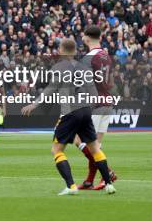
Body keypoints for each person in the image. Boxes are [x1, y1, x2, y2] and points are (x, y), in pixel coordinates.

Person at [22, 38, 116, 195]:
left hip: (70, 112)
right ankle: (108, 184)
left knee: (57, 150)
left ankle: (71, 186)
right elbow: (93, 91)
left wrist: (34, 104)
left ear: (62, 50)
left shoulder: (59, 67)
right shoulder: (84, 67)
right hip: (86, 110)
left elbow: (50, 90)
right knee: (95, 148)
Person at [76, 25, 117, 190]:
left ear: (86, 37)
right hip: (107, 102)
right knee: (96, 146)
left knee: (77, 139)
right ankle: (89, 180)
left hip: (94, 104)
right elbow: (112, 82)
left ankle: (107, 172)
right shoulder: (106, 56)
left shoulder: (87, 58)